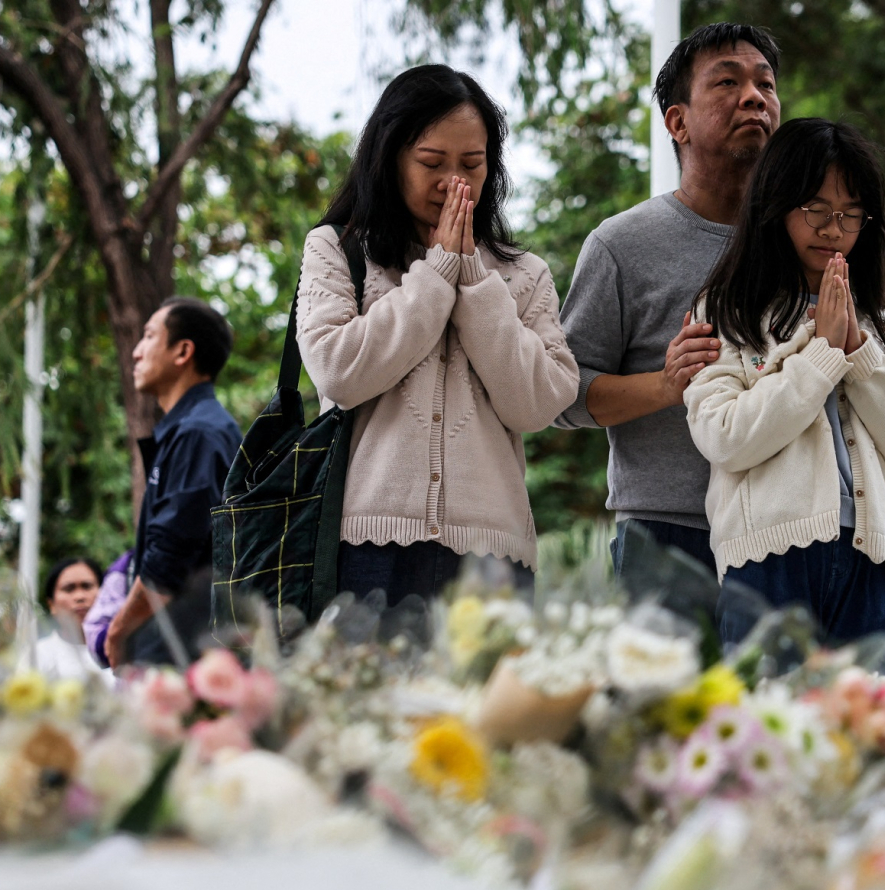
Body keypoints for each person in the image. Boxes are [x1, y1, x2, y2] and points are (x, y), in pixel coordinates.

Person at [297, 64, 578, 607]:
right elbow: (339, 372)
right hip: (364, 548)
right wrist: (438, 272)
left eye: (472, 164)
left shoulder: (524, 274)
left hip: (493, 556)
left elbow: (539, 403)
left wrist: (472, 277)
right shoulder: (337, 250)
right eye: (432, 163)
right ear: (390, 159)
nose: (455, 182)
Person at [685, 118, 885, 648]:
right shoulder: (726, 309)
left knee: (860, 727)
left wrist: (856, 349)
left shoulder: (876, 324)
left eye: (851, 214)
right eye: (817, 211)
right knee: (769, 726)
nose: (833, 229)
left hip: (870, 561)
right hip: (767, 560)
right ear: (775, 205)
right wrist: (821, 353)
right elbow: (725, 438)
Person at [554, 23, 783, 578]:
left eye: (766, 84)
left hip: (789, 533)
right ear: (677, 121)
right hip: (667, 537)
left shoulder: (804, 238)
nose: (754, 96)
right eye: (727, 83)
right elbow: (561, 395)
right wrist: (665, 384)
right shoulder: (622, 243)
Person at [105, 299, 242, 666]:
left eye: (148, 336)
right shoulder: (192, 429)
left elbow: (170, 557)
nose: (136, 352)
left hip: (183, 649)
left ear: (183, 351)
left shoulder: (200, 432)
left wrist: (119, 630)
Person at [19, 557, 106, 679]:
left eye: (87, 586)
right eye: (69, 589)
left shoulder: (121, 652)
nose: (80, 597)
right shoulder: (37, 656)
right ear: (51, 605)